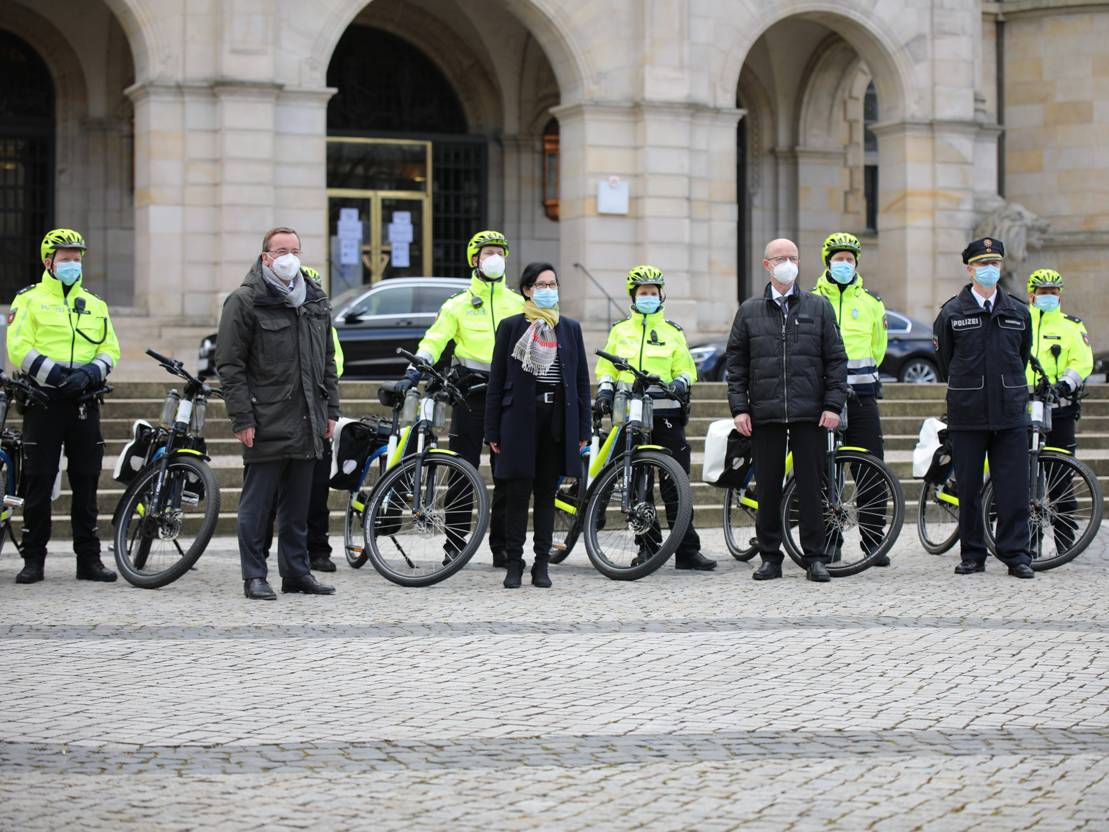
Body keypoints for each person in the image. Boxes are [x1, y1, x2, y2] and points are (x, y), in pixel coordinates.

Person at [216, 226, 341, 600]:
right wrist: (242, 418)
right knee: (257, 507)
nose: (290, 257)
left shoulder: (315, 300)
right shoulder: (244, 300)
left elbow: (327, 362)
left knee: (297, 507)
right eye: (282, 250)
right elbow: (230, 365)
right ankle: (254, 574)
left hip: (308, 418)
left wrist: (331, 409)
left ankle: (296, 572)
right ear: (265, 256)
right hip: (266, 417)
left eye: (296, 250)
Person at [725, 238, 848, 582]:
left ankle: (815, 557)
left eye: (793, 257)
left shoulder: (818, 307)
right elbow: (736, 365)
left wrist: (833, 405)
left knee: (812, 487)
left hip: (810, 412)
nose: (788, 263)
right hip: (764, 413)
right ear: (767, 265)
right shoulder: (749, 311)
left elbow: (836, 360)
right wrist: (740, 408)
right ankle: (770, 557)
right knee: (767, 487)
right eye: (781, 258)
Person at [397, 230, 523, 567]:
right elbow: (435, 339)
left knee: (508, 476)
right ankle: (455, 545)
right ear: (475, 260)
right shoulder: (458, 304)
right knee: (462, 471)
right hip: (471, 396)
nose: (494, 258)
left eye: (499, 251)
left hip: (509, 400)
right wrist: (416, 369)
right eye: (487, 253)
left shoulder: (518, 303)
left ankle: (504, 547)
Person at [6, 228, 121, 584]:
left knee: (86, 482)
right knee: (38, 481)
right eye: (66, 258)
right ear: (49, 262)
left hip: (84, 401)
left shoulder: (95, 303)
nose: (73, 264)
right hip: (44, 401)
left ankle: (89, 560)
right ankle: (33, 560)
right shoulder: (29, 299)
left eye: (77, 258)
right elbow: (18, 346)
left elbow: (110, 349)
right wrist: (56, 375)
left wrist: (88, 375)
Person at [594, 265, 716, 571]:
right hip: (630, 416)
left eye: (653, 292)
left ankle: (686, 550)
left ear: (662, 295)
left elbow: (687, 368)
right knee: (638, 485)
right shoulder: (620, 330)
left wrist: (680, 383)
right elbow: (606, 368)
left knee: (677, 484)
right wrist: (605, 391)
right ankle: (647, 548)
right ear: (633, 296)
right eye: (642, 292)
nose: (648, 297)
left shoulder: (673, 332)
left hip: (666, 416)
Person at [933, 237, 1034, 579]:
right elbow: (945, 361)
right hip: (968, 412)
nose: (989, 269)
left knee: (1013, 489)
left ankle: (1016, 554)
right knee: (969, 489)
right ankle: (972, 554)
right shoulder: (952, 312)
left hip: (1009, 413)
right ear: (969, 269)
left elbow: (1022, 355)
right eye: (982, 264)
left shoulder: (1018, 311)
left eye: (994, 264)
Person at [485, 263, 591, 588]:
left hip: (557, 421)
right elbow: (496, 381)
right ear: (527, 290)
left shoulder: (569, 328)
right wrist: (492, 431)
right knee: (517, 494)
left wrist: (583, 431)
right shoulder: (510, 327)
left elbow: (581, 382)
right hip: (518, 420)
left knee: (546, 495)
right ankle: (513, 563)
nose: (548, 290)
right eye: (541, 284)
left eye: (553, 284)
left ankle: (541, 564)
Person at [812, 232, 891, 567]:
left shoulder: (872, 303)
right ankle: (830, 540)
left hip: (861, 397)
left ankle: (873, 541)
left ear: (856, 263)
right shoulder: (812, 300)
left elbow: (879, 348)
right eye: (838, 257)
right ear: (827, 260)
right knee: (822, 472)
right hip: (820, 399)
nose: (844, 263)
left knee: (871, 470)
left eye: (849, 258)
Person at [261, 265, 345, 572]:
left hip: (317, 412)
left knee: (316, 488)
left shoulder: (324, 324)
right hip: (281, 413)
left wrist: (331, 410)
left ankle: (317, 550)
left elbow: (331, 368)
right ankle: (261, 552)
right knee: (268, 493)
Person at [1025, 268, 1093, 552]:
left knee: (1060, 477)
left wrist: (1066, 384)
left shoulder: (1071, 326)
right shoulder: (1019, 321)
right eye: (1043, 293)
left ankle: (1065, 541)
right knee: (1022, 475)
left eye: (1054, 292)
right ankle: (1025, 540)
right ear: (1032, 295)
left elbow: (1082, 361)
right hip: (1023, 408)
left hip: (1059, 408)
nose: (1049, 297)